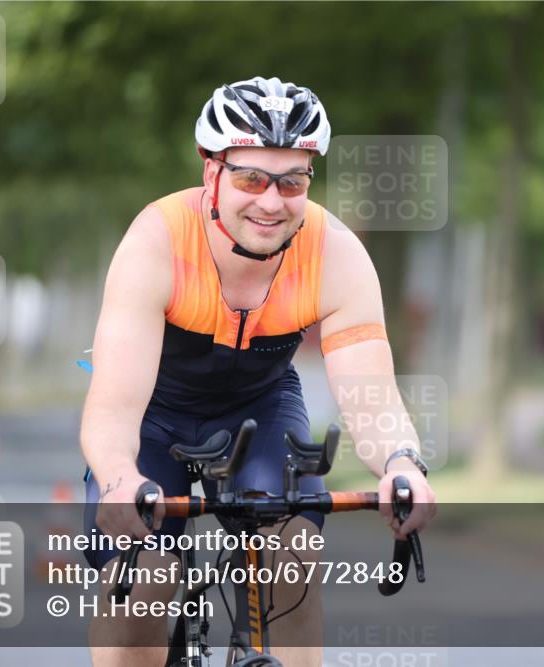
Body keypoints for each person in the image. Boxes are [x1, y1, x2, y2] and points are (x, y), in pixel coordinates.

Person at [80, 75, 436, 667]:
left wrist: (403, 463)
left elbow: (372, 395)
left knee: (293, 555)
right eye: (251, 178)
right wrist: (119, 476)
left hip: (260, 407)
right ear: (211, 172)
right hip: (153, 414)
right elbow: (115, 401)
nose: (271, 202)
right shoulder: (156, 241)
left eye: (292, 182)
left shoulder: (337, 254)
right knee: (144, 574)